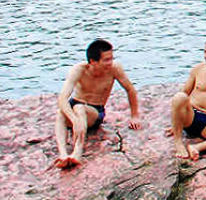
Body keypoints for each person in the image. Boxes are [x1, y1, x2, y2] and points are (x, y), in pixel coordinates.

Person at [53, 39, 141, 169]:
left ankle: (77, 152)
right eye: (106, 60)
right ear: (93, 61)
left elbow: (130, 89)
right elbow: (62, 99)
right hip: (77, 103)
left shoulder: (114, 69)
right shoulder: (79, 70)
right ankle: (63, 154)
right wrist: (73, 119)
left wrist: (134, 115)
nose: (110, 63)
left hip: (94, 110)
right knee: (61, 113)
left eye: (111, 58)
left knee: (79, 108)